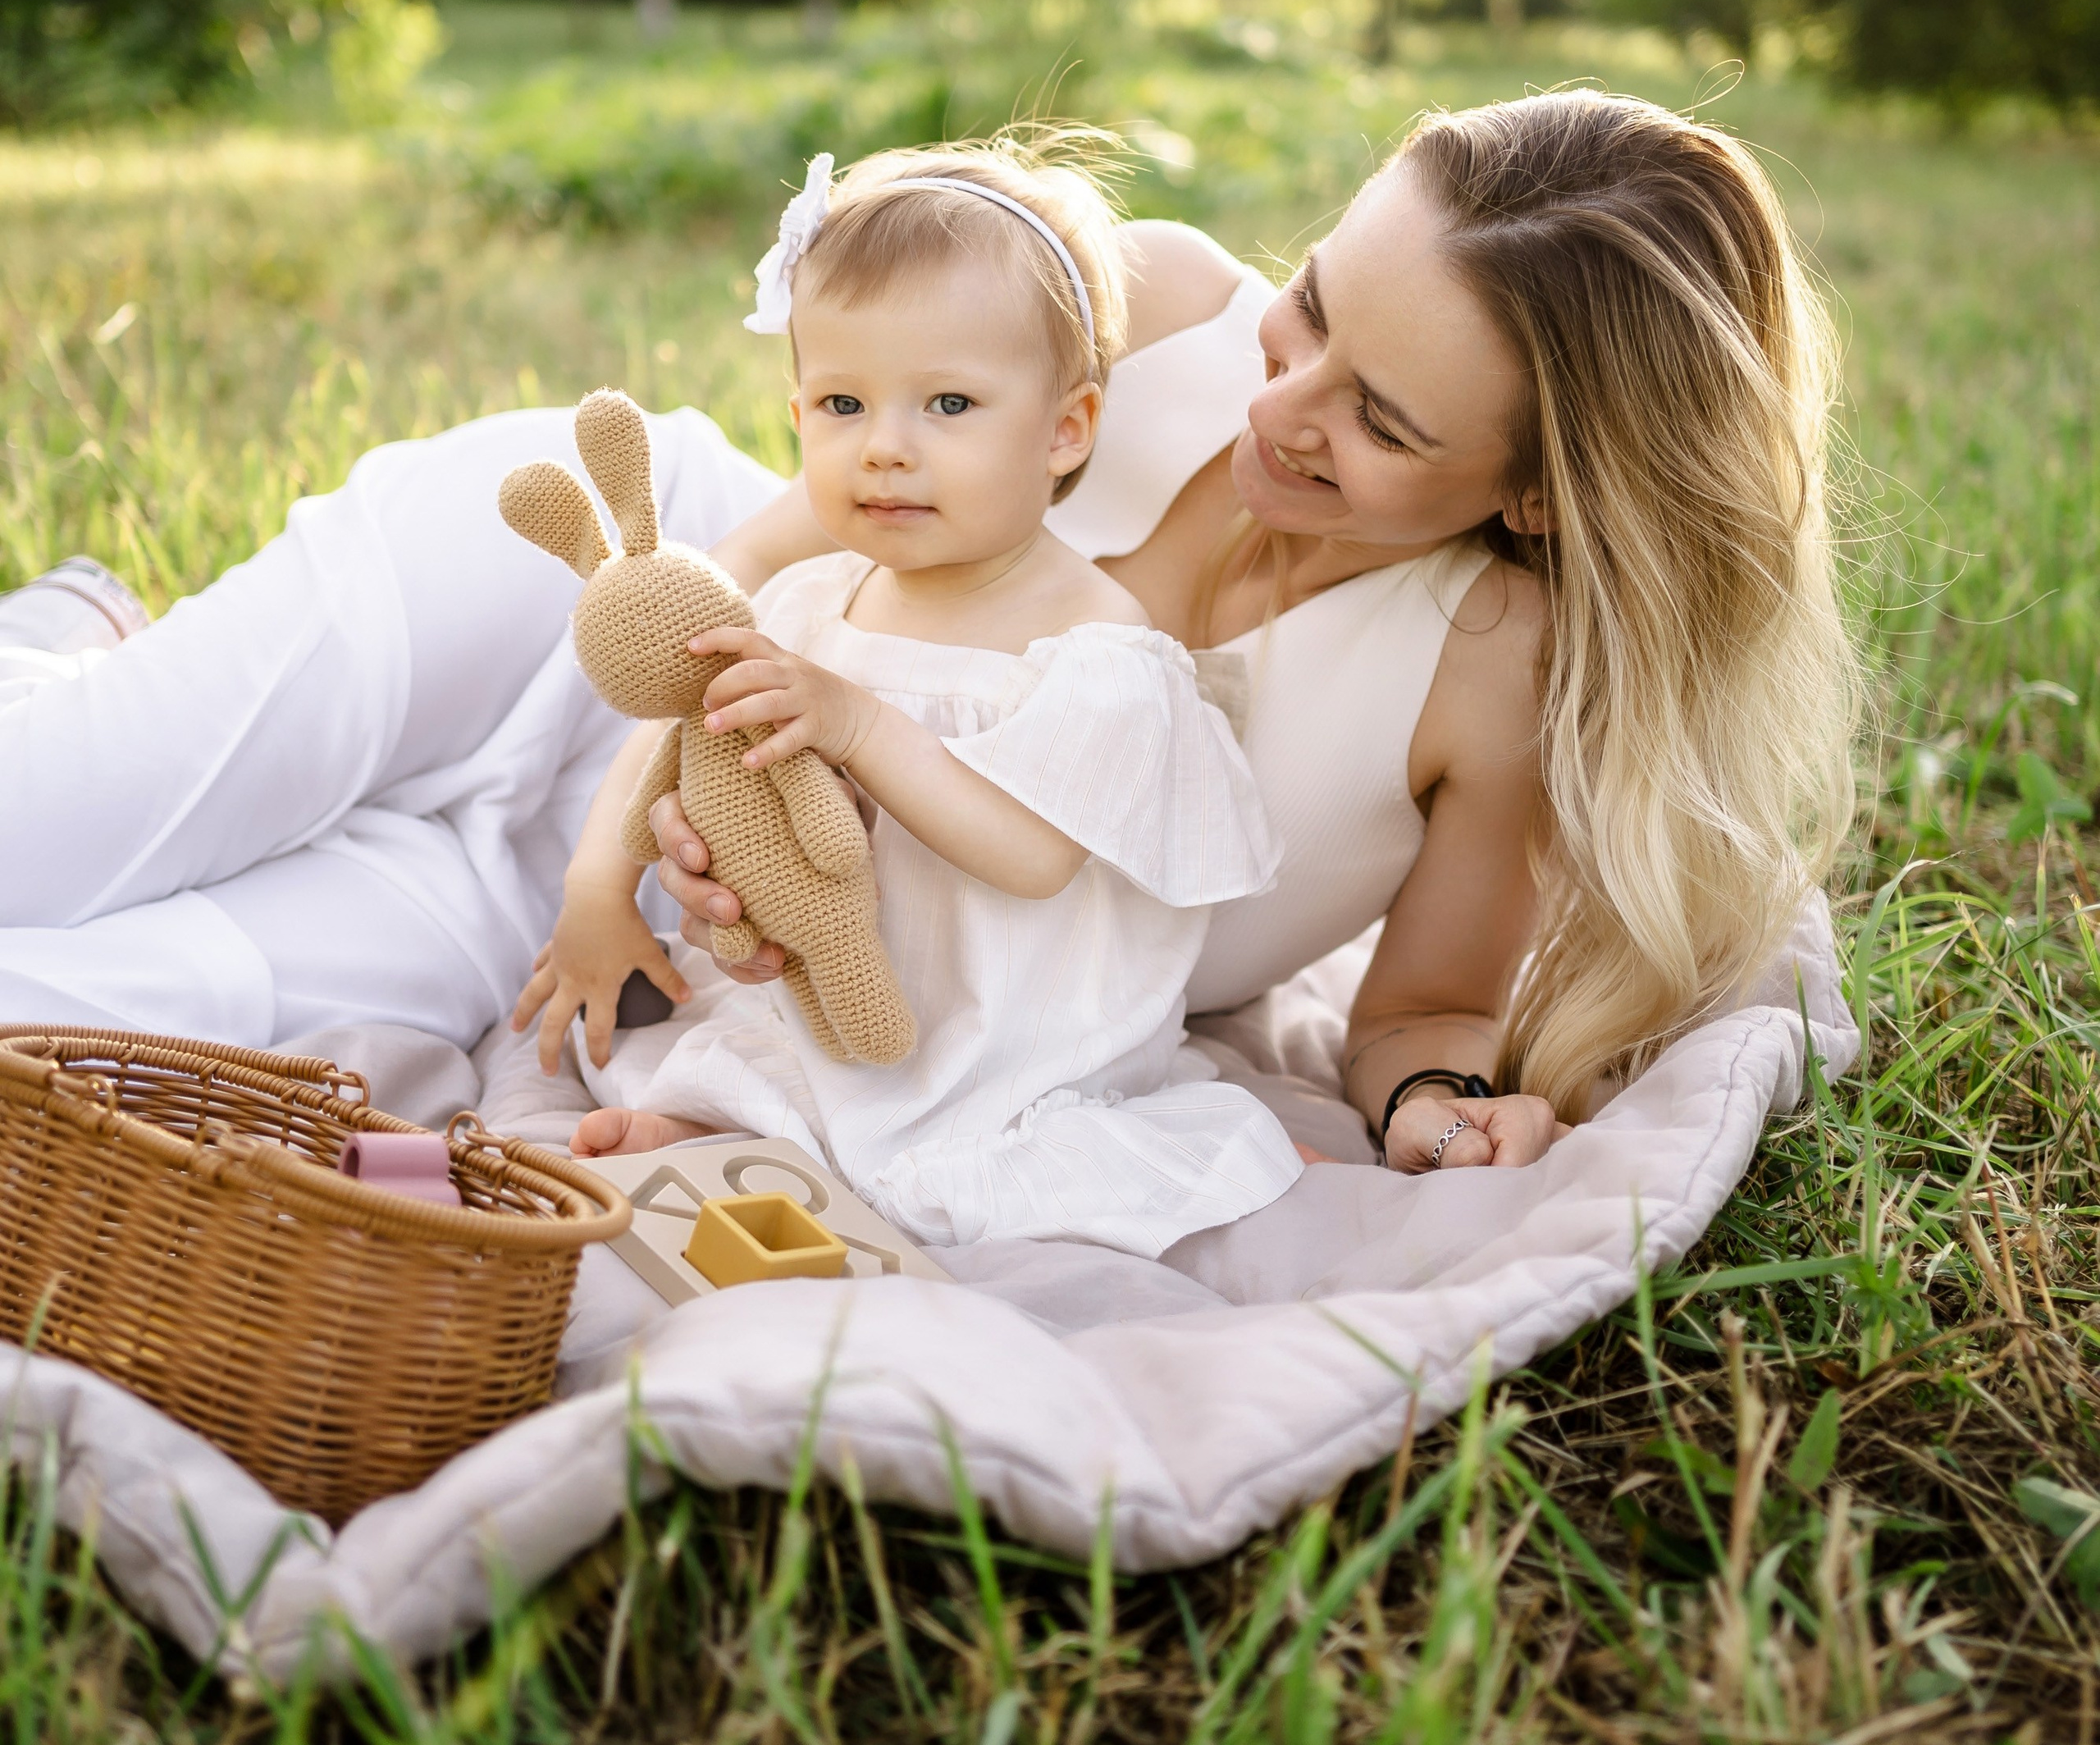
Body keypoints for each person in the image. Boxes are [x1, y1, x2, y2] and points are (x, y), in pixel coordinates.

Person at [0, 89, 1858, 1185]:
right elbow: (769, 544)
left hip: (634, 946)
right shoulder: (1155, 305)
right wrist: (686, 771)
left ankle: (82, 649)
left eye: (1382, 421)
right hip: (558, 637)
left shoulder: (1484, 671)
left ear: (1533, 494)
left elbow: (1430, 1012)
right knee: (37, 820)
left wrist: (1447, 1110)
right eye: (1310, 315)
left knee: (59, 1013)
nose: (1278, 410)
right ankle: (86, 661)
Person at [527, 143, 1301, 1258]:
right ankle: (718, 1129)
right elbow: (698, 753)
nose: (886, 448)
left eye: (948, 403)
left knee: (988, 1158)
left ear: (1066, 429)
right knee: (759, 1046)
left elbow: (1031, 855)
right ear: (797, 414)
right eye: (844, 402)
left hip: (1010, 1033)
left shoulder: (1099, 646)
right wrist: (683, 882)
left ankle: (834, 1155)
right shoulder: (810, 606)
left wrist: (855, 723)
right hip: (839, 995)